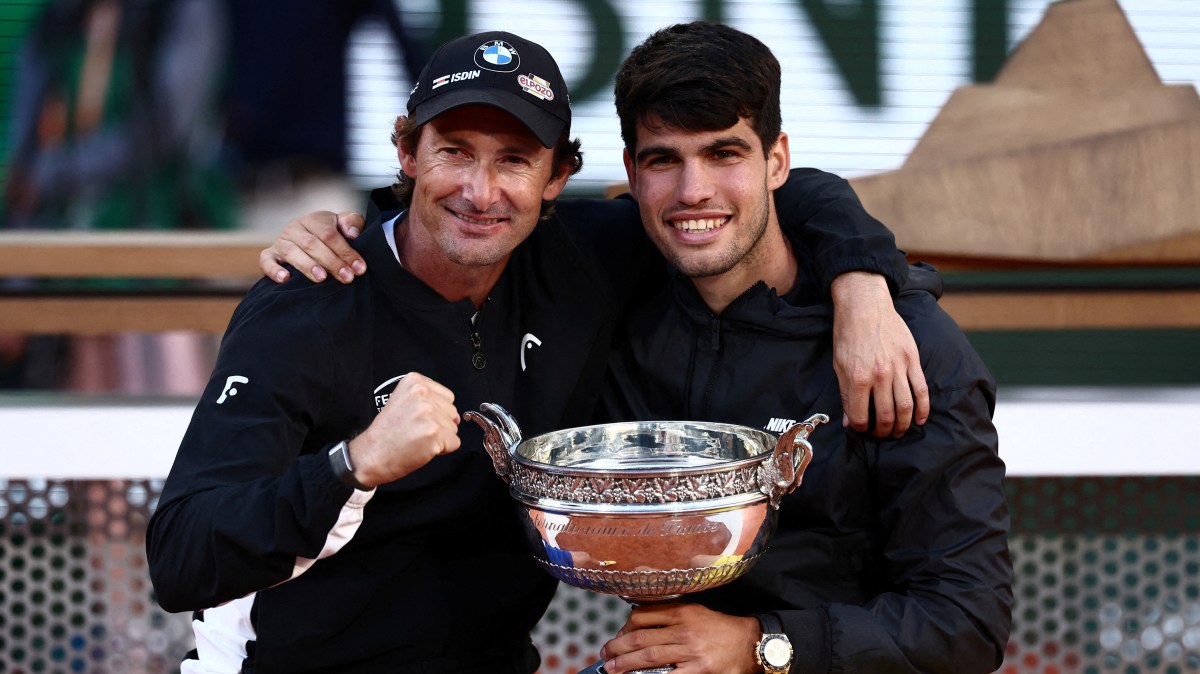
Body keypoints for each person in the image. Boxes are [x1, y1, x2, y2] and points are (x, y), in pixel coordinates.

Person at [147, 31, 920, 674]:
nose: (481, 191)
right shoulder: (311, 297)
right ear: (408, 152)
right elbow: (182, 558)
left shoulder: (579, 258)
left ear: (559, 178)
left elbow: (764, 193)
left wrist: (861, 284)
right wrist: (351, 466)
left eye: (514, 159)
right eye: (454, 151)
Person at [589, 22, 1012, 674]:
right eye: (663, 159)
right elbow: (475, 212)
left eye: (725, 154)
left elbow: (966, 624)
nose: (692, 190)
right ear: (632, 174)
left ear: (776, 161)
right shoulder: (614, 290)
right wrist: (367, 238)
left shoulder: (906, 349)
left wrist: (758, 645)